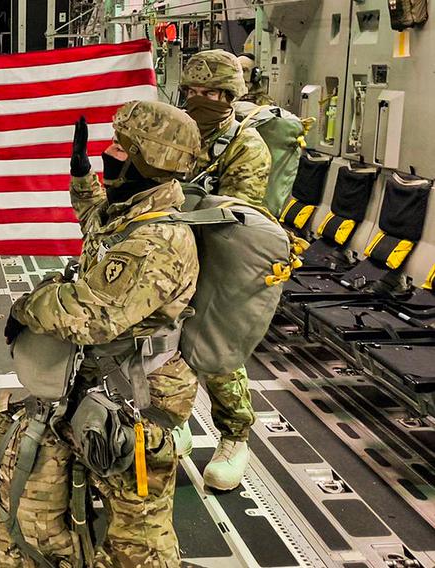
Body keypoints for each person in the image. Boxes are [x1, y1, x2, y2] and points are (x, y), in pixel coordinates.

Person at [4, 100, 202, 566]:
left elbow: (93, 314)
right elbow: (96, 223)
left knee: (137, 530)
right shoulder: (130, 215)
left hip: (139, 397)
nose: (108, 153)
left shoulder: (156, 241)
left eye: (120, 147)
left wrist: (26, 308)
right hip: (105, 380)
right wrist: (81, 177)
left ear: (149, 161)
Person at [179, 49, 272, 491]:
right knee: (162, 346)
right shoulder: (174, 132)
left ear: (230, 95)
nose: (201, 100)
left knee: (216, 352)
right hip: (173, 256)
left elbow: (237, 211)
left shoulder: (246, 147)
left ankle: (235, 436)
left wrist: (174, 207)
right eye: (193, 92)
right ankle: (174, 417)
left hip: (221, 257)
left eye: (212, 93)